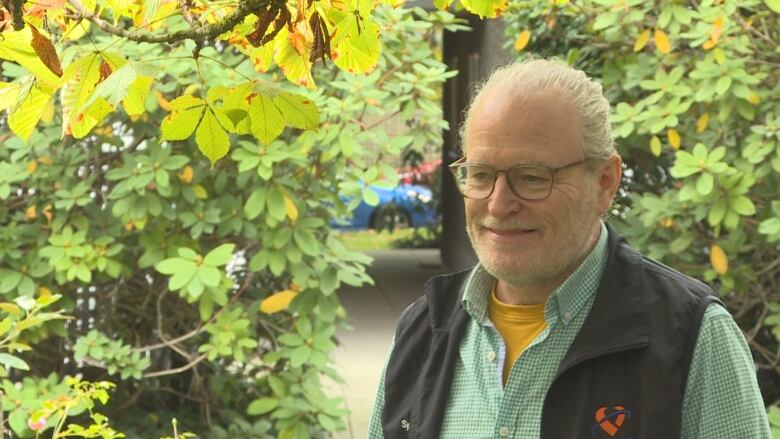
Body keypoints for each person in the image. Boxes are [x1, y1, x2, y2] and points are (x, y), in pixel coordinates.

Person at [367, 59, 771, 438]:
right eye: (481, 174)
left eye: (532, 177)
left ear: (606, 183)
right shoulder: (421, 331)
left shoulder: (691, 337)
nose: (498, 204)